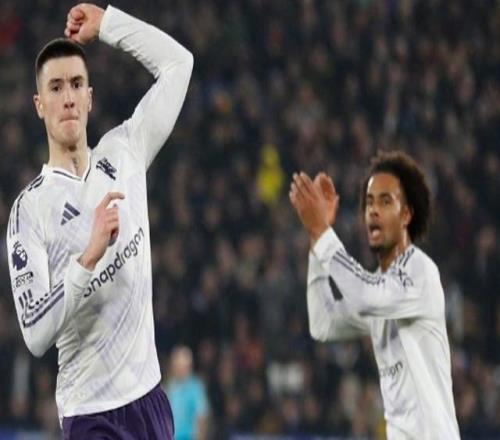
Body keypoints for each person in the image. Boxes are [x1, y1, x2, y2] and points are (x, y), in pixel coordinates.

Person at [6, 3, 193, 439]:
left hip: (150, 401)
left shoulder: (125, 152)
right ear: (39, 105)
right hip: (91, 413)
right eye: (55, 88)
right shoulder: (30, 209)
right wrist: (87, 257)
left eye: (76, 84)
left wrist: (108, 23)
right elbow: (35, 333)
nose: (68, 98)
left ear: (90, 97)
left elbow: (178, 64)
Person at [289, 151, 460, 439]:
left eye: (385, 201)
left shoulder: (420, 271)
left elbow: (367, 297)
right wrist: (316, 239)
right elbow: (323, 323)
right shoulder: (381, 287)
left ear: (406, 215)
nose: (373, 211)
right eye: (369, 202)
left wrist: (324, 234)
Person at [164, 346, 209, 440]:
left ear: (189, 366)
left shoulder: (196, 387)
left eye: (183, 366)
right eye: (177, 365)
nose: (179, 369)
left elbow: (201, 417)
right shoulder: (169, 386)